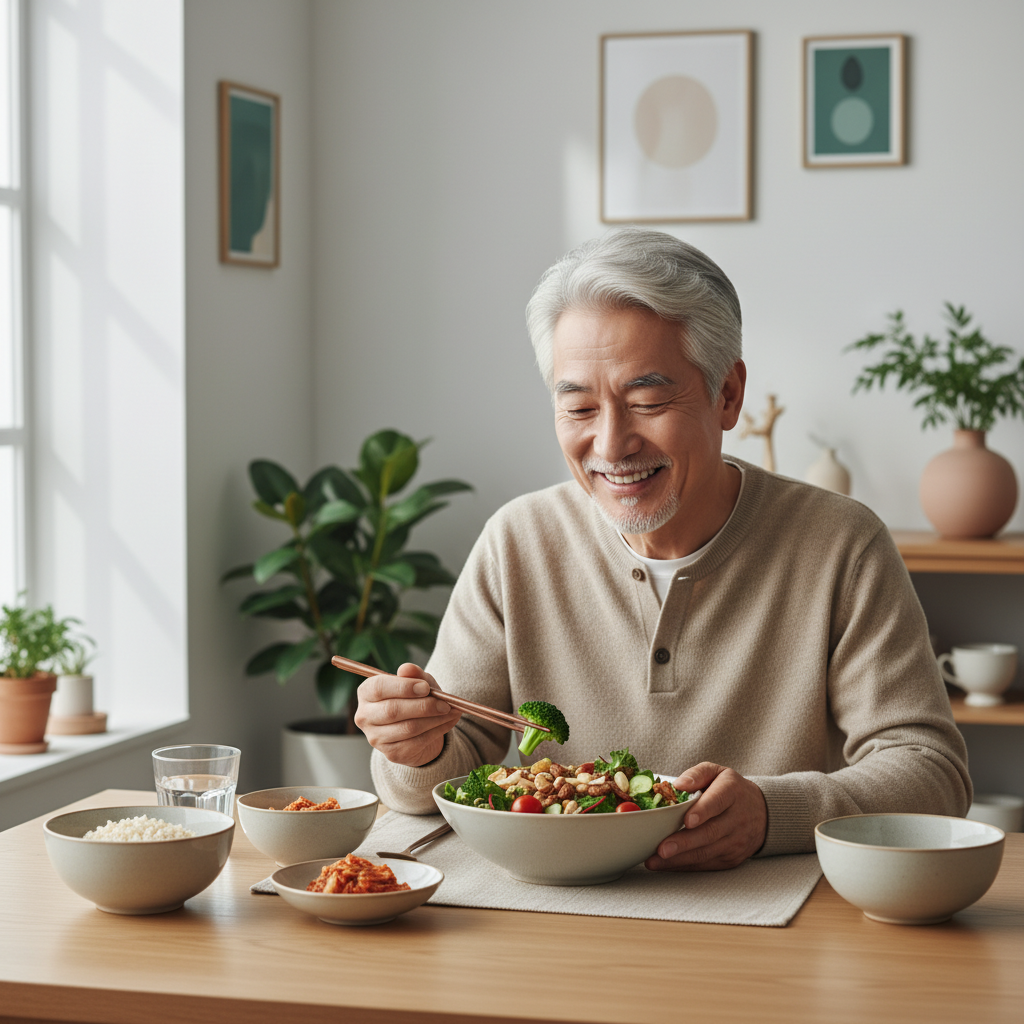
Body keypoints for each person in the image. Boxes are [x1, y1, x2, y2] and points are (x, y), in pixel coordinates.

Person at [356, 228, 971, 871]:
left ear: (727, 395)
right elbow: (439, 775)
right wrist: (416, 748)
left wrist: (772, 812)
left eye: (647, 401)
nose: (611, 445)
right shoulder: (519, 541)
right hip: (562, 905)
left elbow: (931, 773)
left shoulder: (841, 544)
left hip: (769, 907)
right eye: (580, 409)